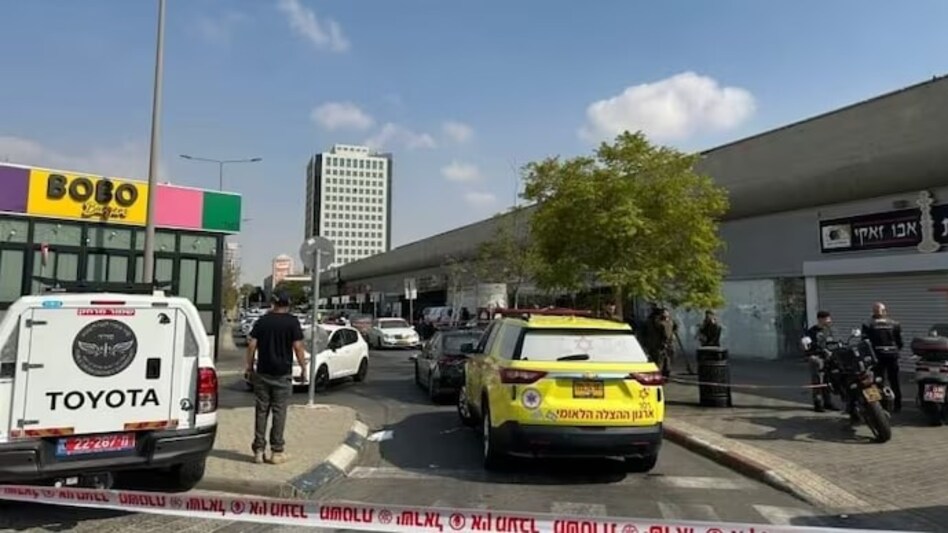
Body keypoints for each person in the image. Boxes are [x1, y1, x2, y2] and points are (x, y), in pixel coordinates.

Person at [245, 291, 308, 465]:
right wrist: (303, 367)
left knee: (261, 411)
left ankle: (258, 451)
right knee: (279, 412)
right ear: (288, 304)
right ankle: (276, 452)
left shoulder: (262, 321)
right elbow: (298, 346)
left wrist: (249, 367)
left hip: (263, 372)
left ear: (273, 303)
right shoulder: (292, 322)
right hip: (282, 373)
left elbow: (251, 345)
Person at [862, 302, 904, 412]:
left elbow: (864, 343)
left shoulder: (868, 324)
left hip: (876, 356)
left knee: (874, 381)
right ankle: (898, 405)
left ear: (873, 312)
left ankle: (877, 406)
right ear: (885, 311)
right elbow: (900, 342)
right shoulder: (895, 324)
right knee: (894, 380)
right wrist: (894, 350)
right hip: (892, 356)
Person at [803, 310, 838, 413]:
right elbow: (806, 345)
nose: (829, 321)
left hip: (829, 359)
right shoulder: (811, 331)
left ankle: (828, 402)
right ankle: (818, 404)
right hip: (817, 358)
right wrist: (810, 355)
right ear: (820, 319)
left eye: (829, 318)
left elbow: (835, 342)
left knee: (827, 381)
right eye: (827, 319)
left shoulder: (829, 330)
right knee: (818, 382)